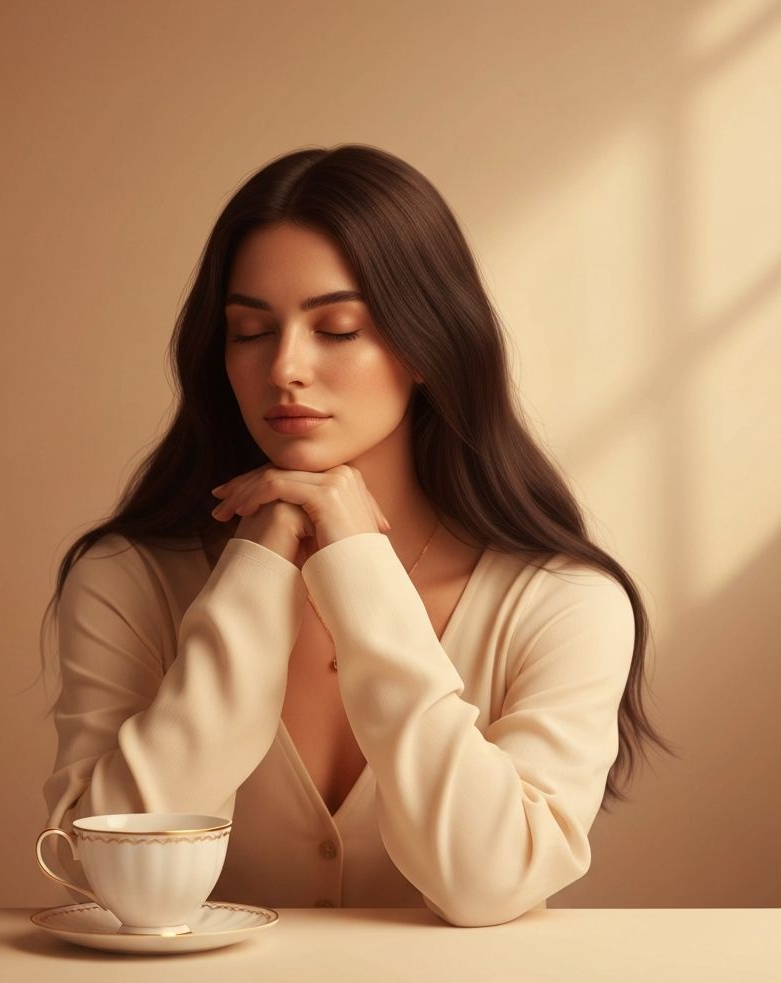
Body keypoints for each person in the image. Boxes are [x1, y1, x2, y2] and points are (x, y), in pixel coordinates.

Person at [37, 144, 674, 927]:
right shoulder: (126, 578)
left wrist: (359, 565)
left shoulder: (565, 603)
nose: (285, 369)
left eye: (337, 329)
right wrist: (256, 570)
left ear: (430, 345)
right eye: (248, 331)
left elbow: (493, 880)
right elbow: (101, 879)